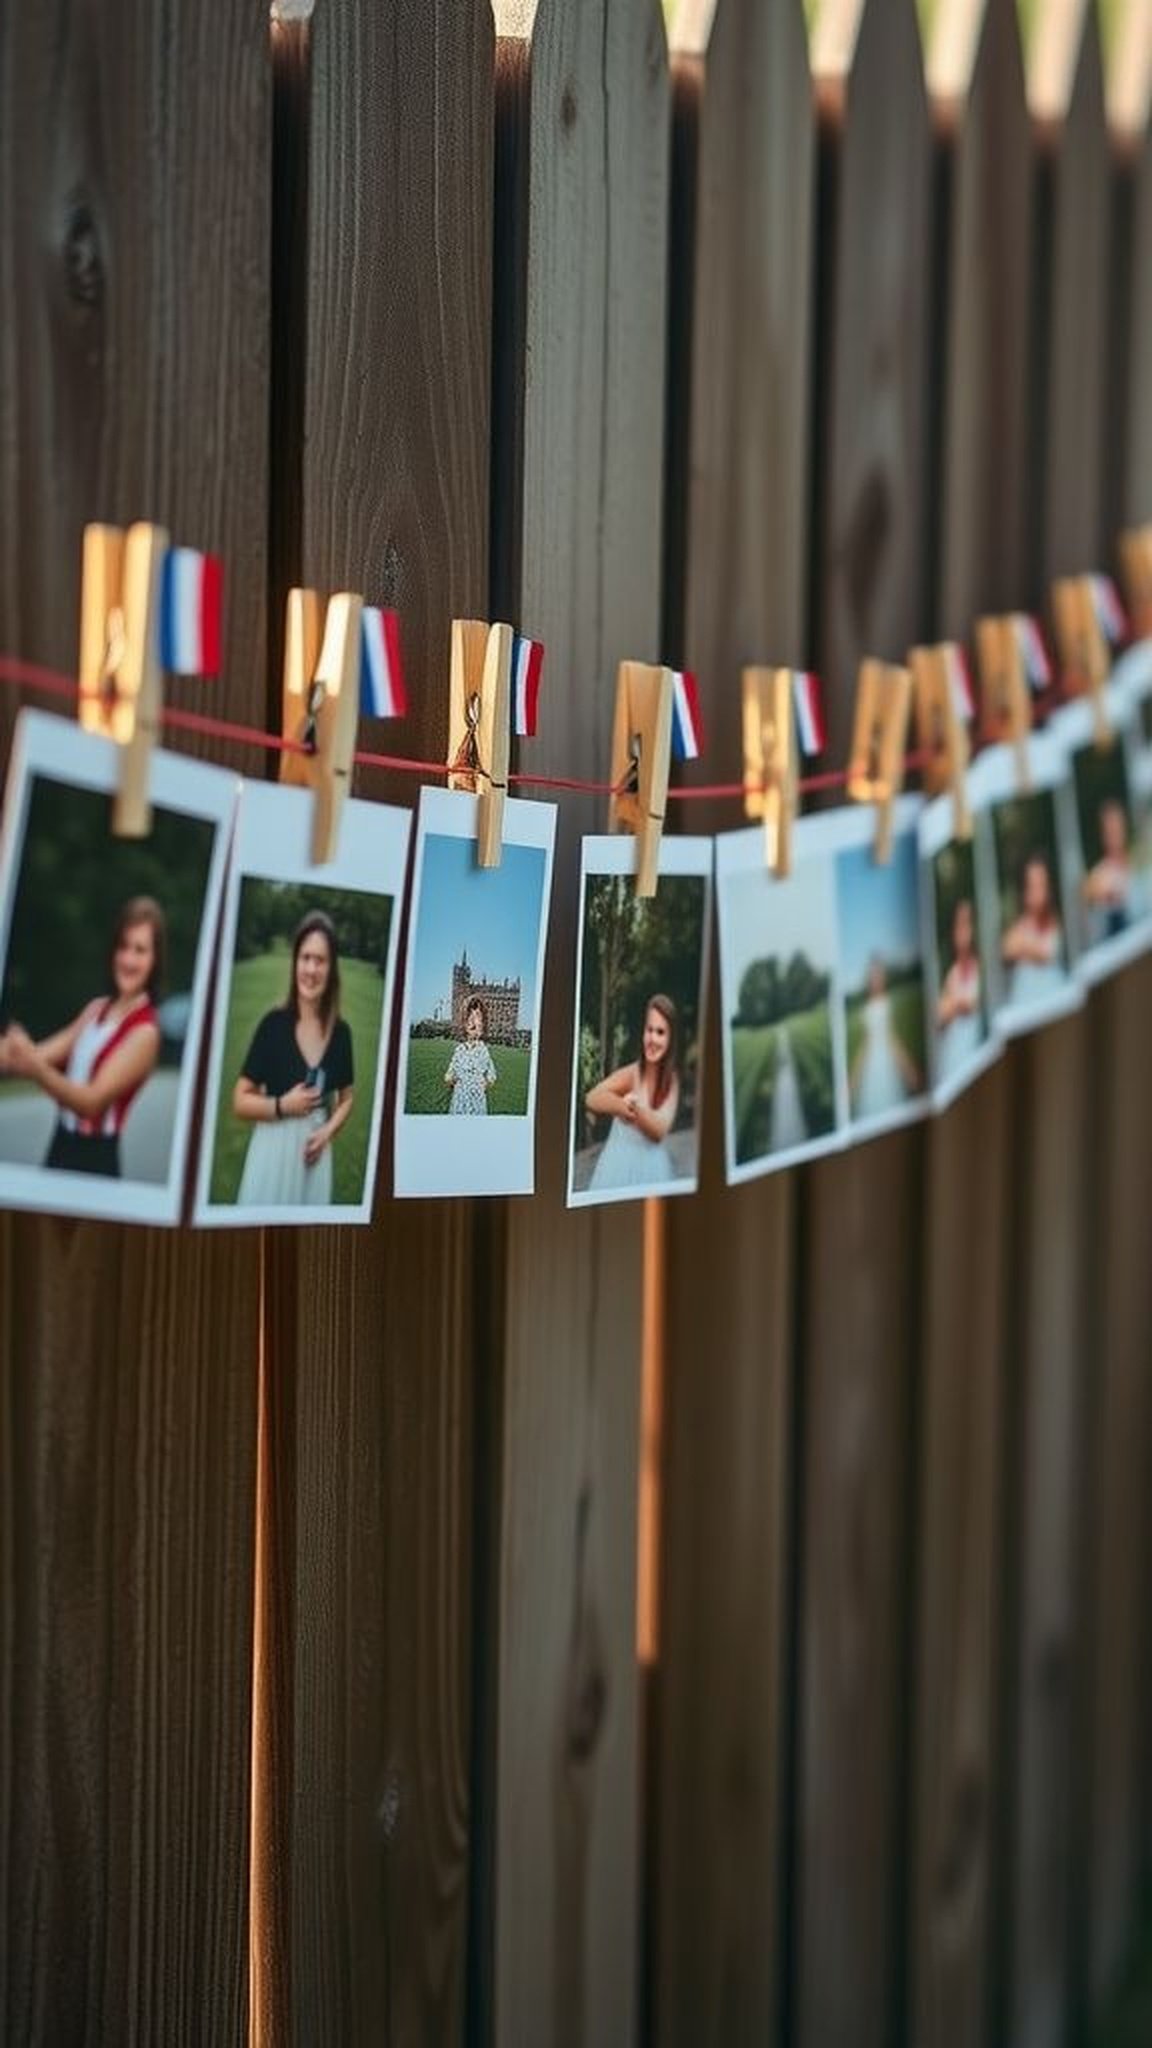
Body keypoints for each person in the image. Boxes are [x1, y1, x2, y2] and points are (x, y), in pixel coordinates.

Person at [0, 895, 165, 1177]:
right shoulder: (96, 1009)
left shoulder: (146, 1032)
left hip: (95, 1158)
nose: (128, 959)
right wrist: (12, 1051)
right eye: (123, 946)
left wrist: (33, 1063)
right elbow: (36, 1056)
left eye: (140, 950)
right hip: (60, 1143)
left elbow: (90, 1103)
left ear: (155, 959)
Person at [232, 910, 354, 1206]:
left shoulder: (341, 1033)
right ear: (295, 962)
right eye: (305, 958)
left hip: (316, 1162)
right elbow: (239, 1101)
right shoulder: (273, 1025)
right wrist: (281, 1105)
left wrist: (327, 1132)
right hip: (273, 1154)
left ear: (331, 968)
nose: (311, 969)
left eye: (320, 960)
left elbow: (347, 1098)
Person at [585, 993, 680, 1191]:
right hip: (620, 1166)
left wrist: (634, 1110)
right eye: (649, 1030)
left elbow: (659, 1130)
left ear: (671, 1038)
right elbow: (592, 1098)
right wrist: (621, 1106)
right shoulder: (632, 1074)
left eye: (660, 1032)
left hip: (653, 1166)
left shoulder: (671, 1080)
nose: (652, 1038)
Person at [850, 956, 919, 1118]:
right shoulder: (865, 1010)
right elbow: (865, 1044)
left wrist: (908, 1069)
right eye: (873, 975)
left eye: (879, 975)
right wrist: (853, 1081)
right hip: (872, 1065)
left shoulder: (888, 1004)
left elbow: (892, 1038)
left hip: (888, 1062)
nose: (876, 979)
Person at [1001, 851, 1064, 1005]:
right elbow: (1007, 949)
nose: (1037, 892)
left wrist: (1026, 949)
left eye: (1041, 884)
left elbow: (1046, 953)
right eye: (1031, 886)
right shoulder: (1019, 927)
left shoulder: (1057, 922)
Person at [935, 895, 984, 1086]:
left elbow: (969, 1005)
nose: (962, 932)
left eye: (967, 924)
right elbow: (940, 1017)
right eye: (958, 926)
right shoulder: (951, 972)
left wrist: (952, 1005)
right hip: (951, 1053)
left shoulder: (980, 966)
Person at [1083, 798, 1140, 942]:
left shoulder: (1138, 862)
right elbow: (1087, 894)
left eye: (1117, 827)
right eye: (1110, 830)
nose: (1114, 833)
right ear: (1103, 834)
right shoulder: (1099, 874)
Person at [445, 996, 497, 1114]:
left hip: (477, 1102)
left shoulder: (484, 1050)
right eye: (469, 1015)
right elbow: (449, 1074)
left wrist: (481, 1085)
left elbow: (492, 1075)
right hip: (459, 1100)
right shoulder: (459, 1050)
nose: (473, 1021)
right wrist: (450, 1078)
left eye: (478, 1016)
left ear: (483, 1024)